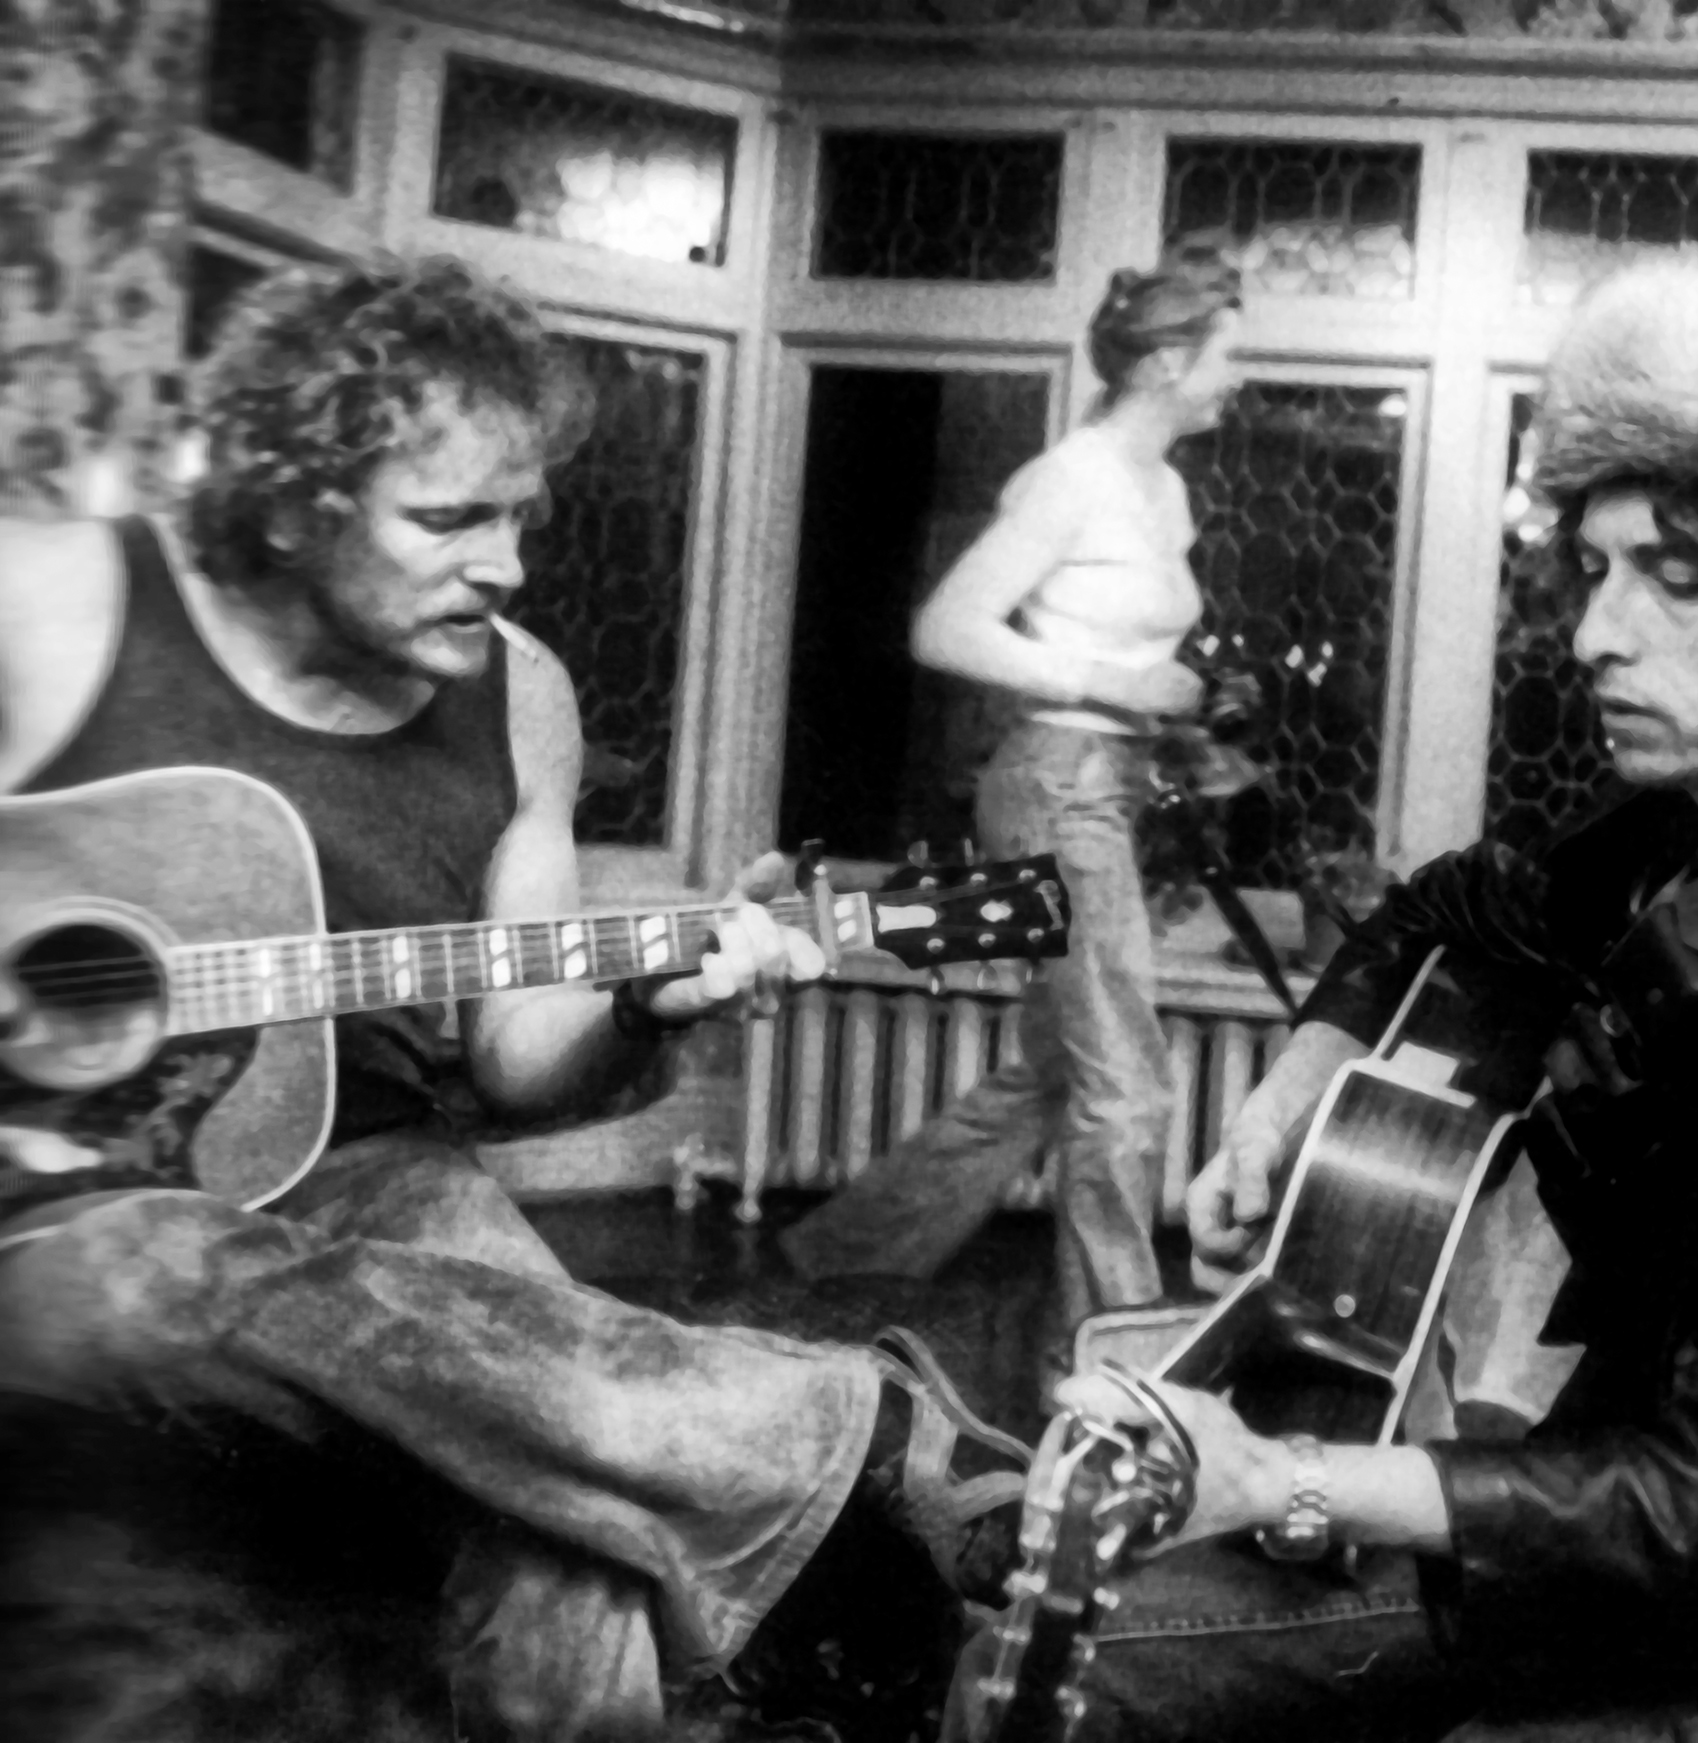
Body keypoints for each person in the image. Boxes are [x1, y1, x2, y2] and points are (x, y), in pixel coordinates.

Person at [0, 254, 1029, 1743]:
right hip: (55, 1216)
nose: (507, 568)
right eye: (448, 519)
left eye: (522, 517)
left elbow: (517, 1056)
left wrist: (648, 1009)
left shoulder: (519, 694)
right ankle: (851, 1427)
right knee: (144, 1259)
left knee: (563, 1519)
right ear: (293, 504)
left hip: (369, 1167)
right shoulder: (58, 601)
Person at [944, 261, 1698, 1743]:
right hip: (1585, 1521)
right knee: (1009, 1630)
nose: (1594, 635)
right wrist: (1291, 1091)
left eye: (1675, 577)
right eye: (1592, 570)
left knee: (1104, 1682)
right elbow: (1443, 906)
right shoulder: (1657, 839)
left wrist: (1291, 1481)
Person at [780, 250, 1243, 1353]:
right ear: (1168, 363)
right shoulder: (1072, 477)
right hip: (1053, 785)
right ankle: (1109, 1360)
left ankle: (837, 1263)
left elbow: (1119, 653)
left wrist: (1176, 714)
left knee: (1058, 1068)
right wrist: (1116, 685)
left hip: (1106, 782)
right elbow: (944, 628)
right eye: (1229, 356)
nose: (1240, 377)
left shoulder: (1163, 489)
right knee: (1127, 1088)